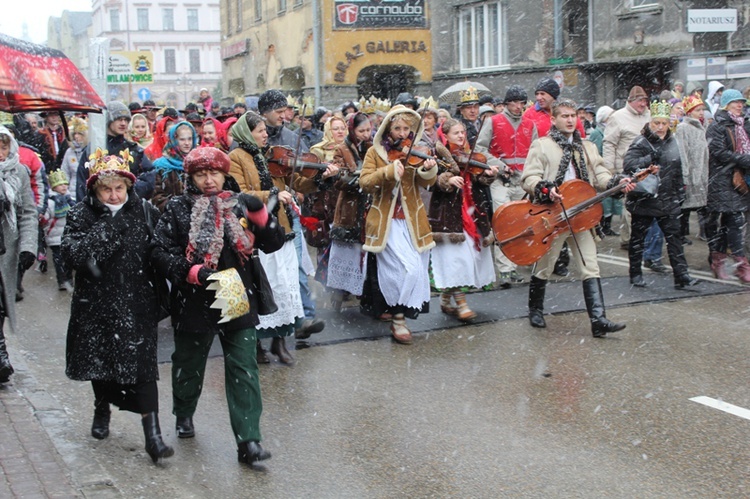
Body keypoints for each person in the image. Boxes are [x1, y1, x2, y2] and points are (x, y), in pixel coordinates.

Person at [151, 146, 281, 466]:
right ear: (191, 177)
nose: (209, 180)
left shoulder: (241, 203)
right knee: (189, 362)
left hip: (234, 289)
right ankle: (183, 412)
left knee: (242, 366)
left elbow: (273, 243)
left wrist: (262, 218)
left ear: (225, 174)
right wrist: (191, 272)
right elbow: (159, 251)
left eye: (214, 173)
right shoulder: (178, 208)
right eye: (201, 173)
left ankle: (249, 440)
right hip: (194, 295)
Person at [62, 148, 173, 464]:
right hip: (95, 304)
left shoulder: (146, 211)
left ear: (128, 186)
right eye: (106, 189)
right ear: (96, 189)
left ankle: (153, 437)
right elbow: (72, 256)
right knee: (102, 362)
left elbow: (161, 249)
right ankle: (102, 408)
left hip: (137, 302)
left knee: (144, 371)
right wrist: (106, 229)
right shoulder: (81, 214)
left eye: (119, 188)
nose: (113, 195)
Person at [521, 99, 633, 338]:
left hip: (581, 215)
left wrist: (616, 182)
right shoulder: (542, 146)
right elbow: (529, 178)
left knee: (590, 265)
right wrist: (545, 188)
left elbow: (600, 173)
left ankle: (598, 319)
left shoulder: (588, 146)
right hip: (552, 217)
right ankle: (535, 309)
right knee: (544, 267)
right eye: (565, 116)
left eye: (574, 116)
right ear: (553, 119)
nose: (571, 120)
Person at [228, 112, 335, 363]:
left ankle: (280, 342)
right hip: (256, 232)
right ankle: (256, 344)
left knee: (286, 286)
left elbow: (298, 181)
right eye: (261, 131)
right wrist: (272, 194)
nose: (266, 134)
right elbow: (240, 193)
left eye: (266, 130)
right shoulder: (236, 158)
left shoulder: (271, 156)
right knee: (262, 287)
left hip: (281, 229)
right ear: (247, 133)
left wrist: (321, 177)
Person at [359, 105, 438, 344]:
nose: (403, 133)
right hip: (386, 222)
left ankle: (399, 314)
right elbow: (365, 182)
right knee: (403, 270)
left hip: (412, 221)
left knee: (416, 269)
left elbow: (428, 182)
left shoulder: (416, 150)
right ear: (387, 129)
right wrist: (387, 171)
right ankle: (398, 318)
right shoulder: (375, 152)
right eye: (397, 128)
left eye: (406, 128)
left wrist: (429, 169)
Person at [623, 100, 699, 289]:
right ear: (650, 122)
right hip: (645, 199)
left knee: (674, 239)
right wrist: (649, 159)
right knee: (638, 239)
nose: (660, 127)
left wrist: (680, 192)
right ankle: (635, 273)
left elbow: (677, 168)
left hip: (668, 199)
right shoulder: (641, 142)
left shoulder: (673, 141)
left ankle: (682, 276)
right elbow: (629, 165)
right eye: (656, 123)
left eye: (664, 123)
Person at [429, 119, 497, 320]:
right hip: (448, 213)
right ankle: (462, 304)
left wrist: (488, 174)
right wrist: (447, 179)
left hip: (471, 211)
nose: (461, 136)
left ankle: (444, 300)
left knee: (469, 258)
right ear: (446, 135)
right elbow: (430, 179)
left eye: (462, 132)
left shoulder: (469, 155)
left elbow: (479, 180)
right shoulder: (436, 155)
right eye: (456, 133)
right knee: (456, 260)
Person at [477, 84, 536, 288]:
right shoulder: (494, 122)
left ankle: (514, 265)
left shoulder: (530, 124)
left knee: (520, 224)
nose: (518, 106)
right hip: (500, 180)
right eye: (514, 102)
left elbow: (536, 153)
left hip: (522, 181)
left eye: (521, 103)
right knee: (503, 222)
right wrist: (500, 166)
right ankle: (505, 269)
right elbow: (480, 148)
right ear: (506, 103)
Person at [0, 126, 38, 383]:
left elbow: (28, 213)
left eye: (4, 145)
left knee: (2, 301)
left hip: (6, 250)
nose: (0, 152)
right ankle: (1, 352)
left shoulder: (19, 172)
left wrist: (28, 248)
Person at [328, 112, 373, 311]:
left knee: (365, 255)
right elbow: (338, 179)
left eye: (368, 130)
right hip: (349, 207)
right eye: (361, 131)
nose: (365, 134)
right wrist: (358, 180)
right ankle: (337, 299)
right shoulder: (342, 149)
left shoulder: (372, 147)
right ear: (352, 130)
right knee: (345, 256)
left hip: (368, 206)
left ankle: (365, 297)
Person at [704, 89, 750, 282]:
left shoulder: (743, 125)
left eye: (741, 102)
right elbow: (719, 153)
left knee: (729, 223)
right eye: (735, 102)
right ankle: (740, 265)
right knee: (733, 222)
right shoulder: (717, 126)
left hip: (739, 180)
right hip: (722, 179)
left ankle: (720, 261)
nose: (740, 105)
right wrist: (744, 159)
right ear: (725, 104)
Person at [603, 85, 651, 249]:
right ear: (630, 101)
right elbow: (609, 143)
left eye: (645, 100)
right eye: (640, 101)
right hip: (625, 167)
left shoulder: (649, 116)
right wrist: (609, 169)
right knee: (630, 205)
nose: (643, 104)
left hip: (645, 166)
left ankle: (633, 238)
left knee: (641, 205)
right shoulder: (617, 117)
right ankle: (632, 240)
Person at [675, 96, 709, 245]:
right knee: (685, 208)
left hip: (702, 173)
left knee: (702, 206)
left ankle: (705, 232)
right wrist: (685, 175)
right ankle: (680, 235)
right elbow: (682, 152)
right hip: (691, 173)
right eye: (698, 110)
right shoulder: (683, 127)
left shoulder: (704, 127)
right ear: (689, 112)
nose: (701, 113)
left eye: (703, 110)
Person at [151, 121, 198, 212]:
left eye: (189, 139)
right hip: (168, 215)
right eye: (182, 139)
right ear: (174, 140)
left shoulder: (197, 163)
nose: (187, 143)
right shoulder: (161, 166)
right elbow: (156, 195)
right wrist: (174, 208)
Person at [43, 170, 75, 291]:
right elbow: (46, 218)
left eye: (65, 184)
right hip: (55, 236)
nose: (64, 186)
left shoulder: (70, 199)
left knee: (69, 259)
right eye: (60, 184)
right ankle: (62, 280)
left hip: (68, 235)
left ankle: (69, 279)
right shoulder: (51, 202)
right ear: (54, 187)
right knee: (58, 260)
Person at [60, 117, 89, 202]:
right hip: (71, 195)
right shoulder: (69, 152)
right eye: (74, 134)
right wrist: (65, 191)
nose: (76, 136)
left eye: (80, 133)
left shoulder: (90, 151)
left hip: (86, 193)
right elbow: (64, 172)